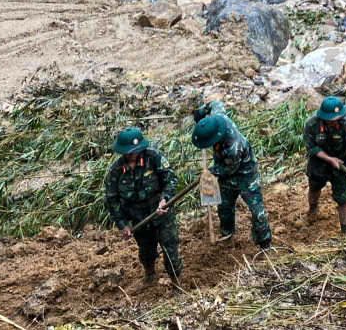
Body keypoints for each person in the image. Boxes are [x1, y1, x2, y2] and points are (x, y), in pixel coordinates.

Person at [103, 128, 182, 282]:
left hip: (162, 214)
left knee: (170, 249)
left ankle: (176, 283)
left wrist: (165, 200)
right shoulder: (115, 172)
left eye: (136, 151)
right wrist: (122, 224)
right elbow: (112, 201)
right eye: (130, 152)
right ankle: (150, 276)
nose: (133, 154)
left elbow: (171, 180)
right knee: (146, 252)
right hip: (138, 219)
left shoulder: (154, 158)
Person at [192, 103, 272, 249]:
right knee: (224, 207)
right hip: (226, 172)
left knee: (256, 210)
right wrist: (201, 112)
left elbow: (229, 169)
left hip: (245, 175)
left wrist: (212, 171)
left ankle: (264, 242)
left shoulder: (233, 147)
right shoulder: (219, 117)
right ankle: (227, 234)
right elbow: (216, 103)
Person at [305, 96, 346, 235]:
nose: (335, 121)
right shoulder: (311, 123)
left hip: (342, 165)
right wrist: (329, 159)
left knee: (343, 199)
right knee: (314, 188)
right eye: (332, 119)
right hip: (319, 162)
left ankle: (344, 233)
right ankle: (313, 210)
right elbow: (311, 148)